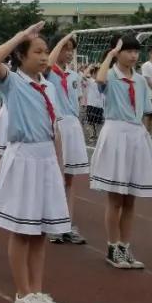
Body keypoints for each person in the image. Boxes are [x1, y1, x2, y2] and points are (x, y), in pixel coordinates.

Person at [0, 23, 70, 303]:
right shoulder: (14, 82)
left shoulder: (48, 86)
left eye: (46, 52)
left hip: (45, 159)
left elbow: (54, 128)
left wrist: (58, 166)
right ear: (21, 56)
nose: (45, 57)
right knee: (23, 230)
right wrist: (21, 35)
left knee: (40, 232)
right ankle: (23, 293)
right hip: (24, 159)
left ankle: (37, 290)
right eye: (38, 51)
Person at [90, 35, 152, 270]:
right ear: (117, 52)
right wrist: (110, 55)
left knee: (131, 198)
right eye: (128, 51)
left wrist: (142, 138)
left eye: (135, 51)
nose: (133, 55)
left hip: (135, 134)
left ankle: (125, 245)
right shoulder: (110, 75)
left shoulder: (140, 81)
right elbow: (99, 79)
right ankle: (112, 247)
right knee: (115, 198)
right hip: (115, 134)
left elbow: (144, 111)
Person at [46, 33, 90, 244]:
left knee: (70, 178)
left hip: (72, 125)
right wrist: (61, 40)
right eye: (65, 48)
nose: (69, 52)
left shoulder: (74, 75)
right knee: (56, 177)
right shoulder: (48, 73)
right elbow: (49, 62)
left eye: (71, 48)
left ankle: (68, 224)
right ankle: (54, 223)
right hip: (57, 124)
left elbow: (78, 102)